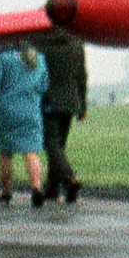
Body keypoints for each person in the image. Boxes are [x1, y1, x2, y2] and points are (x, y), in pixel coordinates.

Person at [0, 44, 49, 206]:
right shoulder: (40, 58)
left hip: (7, 111)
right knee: (31, 152)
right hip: (31, 111)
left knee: (6, 153)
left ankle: (6, 191)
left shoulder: (4, 56)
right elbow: (44, 86)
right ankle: (36, 188)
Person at [38, 30, 87, 203]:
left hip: (50, 99)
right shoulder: (77, 42)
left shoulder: (43, 43)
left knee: (51, 143)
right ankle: (52, 188)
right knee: (59, 145)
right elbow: (82, 75)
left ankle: (69, 178)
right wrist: (83, 104)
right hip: (71, 101)